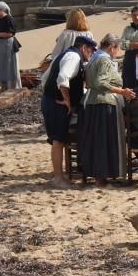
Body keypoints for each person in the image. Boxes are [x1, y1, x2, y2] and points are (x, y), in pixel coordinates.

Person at [41, 35, 96, 189]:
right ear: (84, 48)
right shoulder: (73, 57)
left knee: (60, 139)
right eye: (90, 52)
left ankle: (60, 175)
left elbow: (45, 78)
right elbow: (62, 78)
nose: (90, 55)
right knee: (58, 140)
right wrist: (66, 99)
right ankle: (58, 178)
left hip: (51, 100)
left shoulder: (64, 54)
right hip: (56, 103)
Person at [81, 34, 136, 186]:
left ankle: (101, 177)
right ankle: (102, 178)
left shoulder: (94, 58)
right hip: (104, 102)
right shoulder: (104, 59)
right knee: (105, 141)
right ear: (112, 47)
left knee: (99, 140)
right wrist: (122, 92)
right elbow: (100, 82)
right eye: (118, 49)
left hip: (94, 101)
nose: (118, 52)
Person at [0, 1, 21, 90]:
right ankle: (0, 85)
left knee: (9, 65)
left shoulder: (9, 19)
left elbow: (10, 34)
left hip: (8, 44)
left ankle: (11, 86)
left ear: (2, 10)